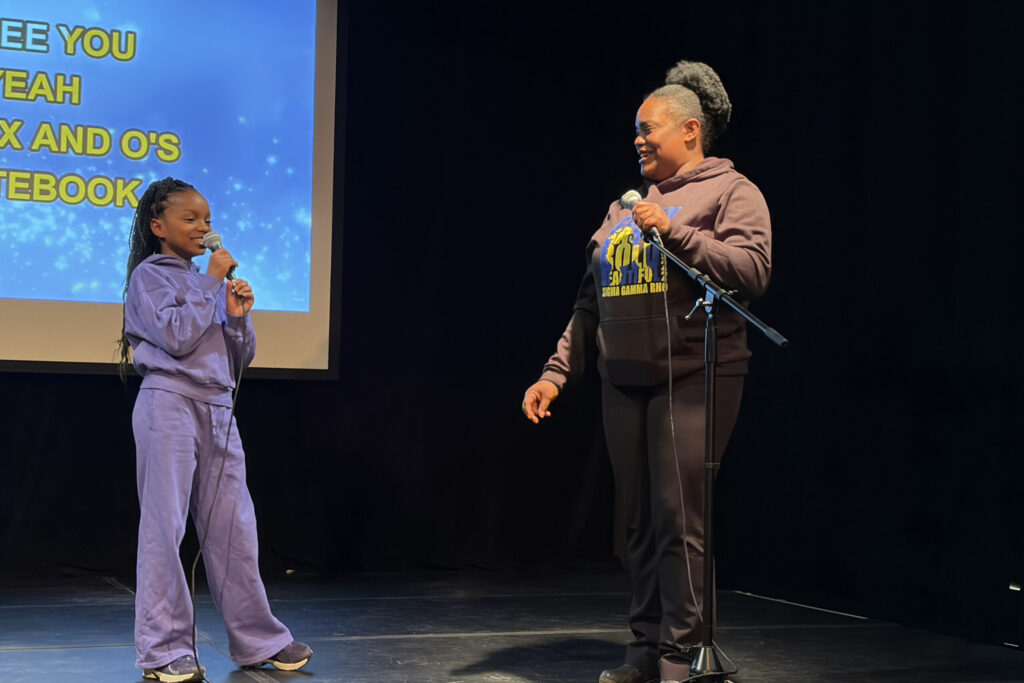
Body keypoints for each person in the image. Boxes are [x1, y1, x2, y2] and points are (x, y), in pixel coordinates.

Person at [521, 61, 771, 683]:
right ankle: (643, 646)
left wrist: (679, 233)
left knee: (677, 518)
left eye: (648, 128)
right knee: (635, 524)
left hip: (694, 376)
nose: (637, 139)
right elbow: (590, 302)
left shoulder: (731, 193)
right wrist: (555, 373)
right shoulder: (621, 210)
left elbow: (751, 270)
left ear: (690, 131)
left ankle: (681, 654)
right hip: (623, 382)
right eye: (635, 130)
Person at [118, 177, 312, 682]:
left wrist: (237, 318)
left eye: (206, 219)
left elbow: (238, 358)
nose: (203, 227)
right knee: (165, 528)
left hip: (218, 410)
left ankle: (259, 640)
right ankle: (163, 651)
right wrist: (209, 284)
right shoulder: (150, 277)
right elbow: (176, 338)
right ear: (158, 227)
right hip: (169, 405)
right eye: (190, 219)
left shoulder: (209, 284)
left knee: (234, 530)